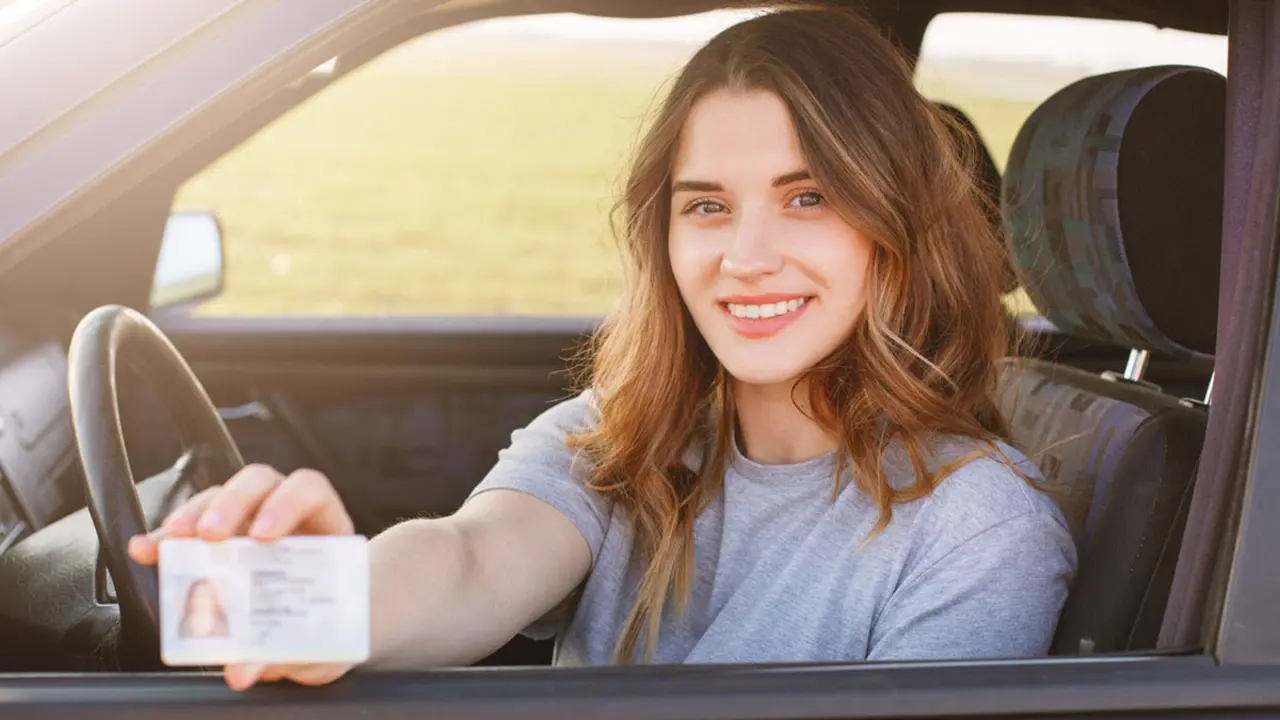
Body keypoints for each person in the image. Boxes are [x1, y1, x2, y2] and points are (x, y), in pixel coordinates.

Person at [129, 3, 1076, 690]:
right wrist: (331, 596)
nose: (745, 258)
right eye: (706, 205)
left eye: (808, 197)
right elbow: (471, 560)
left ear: (895, 224)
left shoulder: (980, 528)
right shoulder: (622, 437)